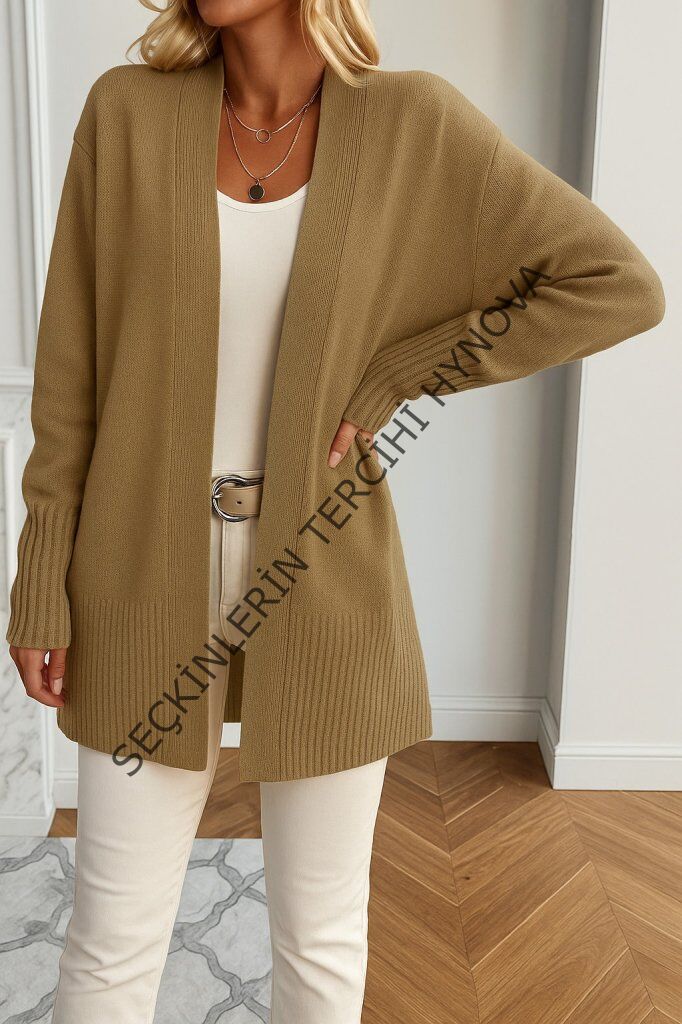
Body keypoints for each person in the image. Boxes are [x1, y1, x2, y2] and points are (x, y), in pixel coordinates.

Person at [6, 1, 664, 1021]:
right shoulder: (126, 113)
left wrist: (411, 368)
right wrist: (41, 577)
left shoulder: (412, 121)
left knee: (319, 941)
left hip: (325, 574)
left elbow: (616, 281)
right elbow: (69, 376)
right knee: (108, 942)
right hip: (136, 571)